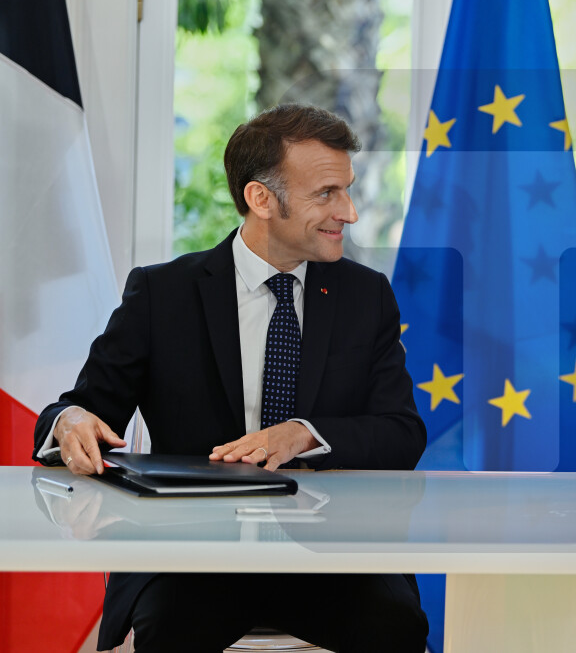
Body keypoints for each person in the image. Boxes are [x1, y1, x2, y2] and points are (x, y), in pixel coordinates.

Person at [32, 104, 428, 653]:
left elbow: (402, 433)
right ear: (261, 199)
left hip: (331, 553)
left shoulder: (368, 296)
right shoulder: (161, 294)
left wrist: (304, 434)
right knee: (166, 632)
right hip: (190, 553)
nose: (350, 212)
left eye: (348, 190)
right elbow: (78, 410)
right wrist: (70, 422)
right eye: (327, 194)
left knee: (398, 627)